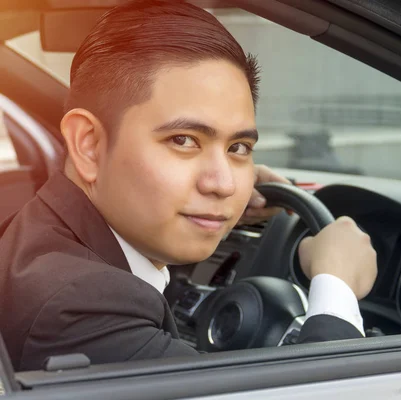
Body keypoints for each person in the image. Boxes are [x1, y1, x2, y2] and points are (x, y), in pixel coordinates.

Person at [0, 0, 377, 372]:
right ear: (89, 144)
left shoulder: (36, 237)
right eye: (183, 140)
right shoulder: (78, 306)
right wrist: (336, 287)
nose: (224, 184)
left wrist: (213, 212)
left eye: (238, 148)